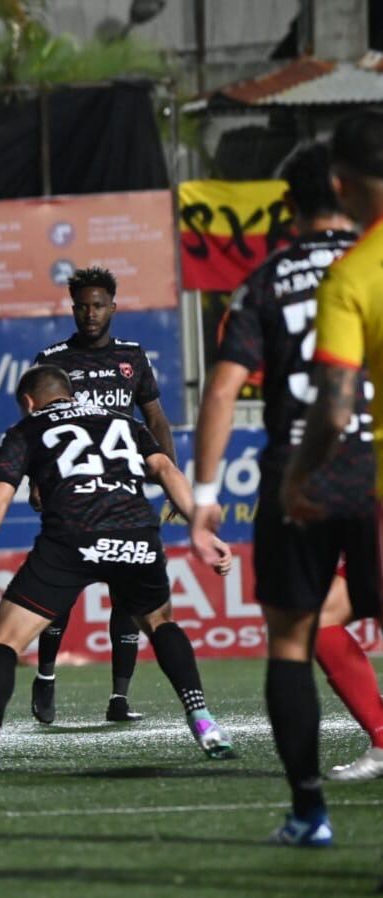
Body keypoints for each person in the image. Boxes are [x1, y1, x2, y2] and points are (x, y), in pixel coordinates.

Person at [191, 142, 382, 848]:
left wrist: (203, 495)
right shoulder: (369, 263)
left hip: (297, 472)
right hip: (374, 463)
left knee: (292, 641)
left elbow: (222, 388)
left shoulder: (263, 283)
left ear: (287, 206)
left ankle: (308, 813)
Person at [0, 364, 234, 774]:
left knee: (4, 641)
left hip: (72, 540)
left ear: (28, 402)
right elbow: (167, 470)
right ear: (70, 393)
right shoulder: (123, 421)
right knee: (160, 622)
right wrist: (201, 527)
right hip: (136, 535)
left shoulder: (25, 430)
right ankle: (205, 724)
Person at [285, 113, 383, 831]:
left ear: (341, 186)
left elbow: (335, 404)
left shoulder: (352, 276)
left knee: (314, 617)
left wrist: (299, 476)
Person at [29, 266, 177, 725]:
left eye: (98, 305)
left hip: (123, 492)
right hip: (71, 492)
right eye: (82, 306)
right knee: (62, 590)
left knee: (127, 594)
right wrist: (35, 479)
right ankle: (46, 675)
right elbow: (37, 426)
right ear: (73, 309)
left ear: (112, 307)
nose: (90, 313)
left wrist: (170, 478)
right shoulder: (53, 360)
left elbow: (156, 418)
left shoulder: (132, 357)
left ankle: (119, 698)